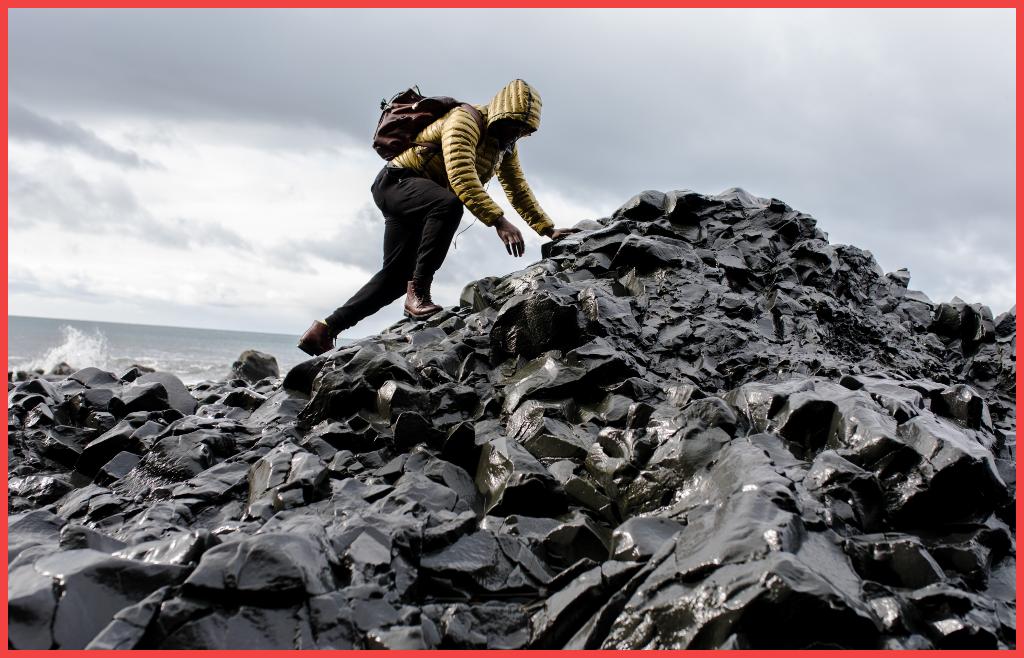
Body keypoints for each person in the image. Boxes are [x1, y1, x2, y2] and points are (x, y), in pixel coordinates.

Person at [298, 79, 578, 356]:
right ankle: (419, 293)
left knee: (395, 279)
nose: (516, 134)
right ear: (501, 115)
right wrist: (498, 221)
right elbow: (461, 175)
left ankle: (324, 330)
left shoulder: (505, 145)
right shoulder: (465, 120)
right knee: (449, 205)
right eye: (514, 125)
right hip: (396, 183)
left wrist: (547, 228)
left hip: (418, 198)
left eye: (523, 131)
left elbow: (517, 188)